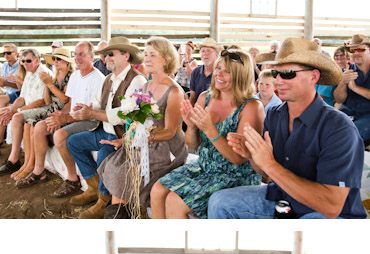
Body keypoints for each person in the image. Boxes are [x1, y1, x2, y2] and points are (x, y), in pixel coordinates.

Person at [209, 37, 365, 219]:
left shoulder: (339, 128)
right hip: (283, 198)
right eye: (276, 73)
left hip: (327, 214)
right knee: (220, 202)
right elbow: (267, 172)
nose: (279, 81)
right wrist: (253, 156)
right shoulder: (275, 115)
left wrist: (269, 164)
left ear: (313, 76)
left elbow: (331, 206)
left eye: (288, 73)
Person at [153, 48, 264, 219]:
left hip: (234, 175)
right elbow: (192, 145)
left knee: (175, 200)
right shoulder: (205, 97)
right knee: (157, 190)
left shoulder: (251, 107)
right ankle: (163, 244)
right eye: (218, 68)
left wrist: (209, 129)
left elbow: (237, 159)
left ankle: (189, 245)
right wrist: (190, 127)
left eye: (228, 72)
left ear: (241, 75)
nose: (219, 74)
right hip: (205, 166)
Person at [98, 37, 187, 219]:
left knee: (124, 173)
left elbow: (170, 131)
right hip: (144, 139)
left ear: (167, 59)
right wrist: (124, 139)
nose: (147, 59)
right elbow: (139, 121)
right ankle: (118, 216)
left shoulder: (175, 92)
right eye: (146, 54)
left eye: (153, 55)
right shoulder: (146, 85)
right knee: (115, 166)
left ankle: (120, 217)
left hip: (166, 149)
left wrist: (142, 138)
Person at [65, 37, 147, 218]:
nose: (106, 58)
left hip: (124, 136)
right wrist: (86, 109)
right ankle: (93, 188)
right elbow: (96, 103)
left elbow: (126, 115)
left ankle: (103, 201)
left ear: (126, 56)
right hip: (104, 130)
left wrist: (92, 114)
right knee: (73, 142)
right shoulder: (108, 78)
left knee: (104, 154)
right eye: (105, 55)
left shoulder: (137, 80)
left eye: (111, 54)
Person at [28, 42, 105, 198]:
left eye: (81, 54)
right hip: (73, 116)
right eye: (75, 54)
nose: (77, 58)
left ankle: (72, 178)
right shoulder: (76, 75)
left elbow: (90, 113)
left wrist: (64, 119)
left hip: (90, 120)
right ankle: (39, 170)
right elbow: (70, 102)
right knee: (41, 126)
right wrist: (58, 115)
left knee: (59, 135)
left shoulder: (98, 79)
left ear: (92, 56)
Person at [0, 49, 49, 177]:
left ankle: (15, 159)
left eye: (29, 61)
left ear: (37, 60)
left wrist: (17, 110)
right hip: (31, 107)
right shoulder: (29, 73)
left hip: (43, 108)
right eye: (23, 61)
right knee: (7, 112)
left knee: (17, 117)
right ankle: (21, 161)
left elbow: (42, 102)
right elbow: (22, 97)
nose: (25, 64)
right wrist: (11, 108)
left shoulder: (43, 73)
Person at [11, 47, 73, 187]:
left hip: (60, 110)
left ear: (67, 62)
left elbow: (65, 100)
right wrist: (47, 85)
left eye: (59, 59)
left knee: (29, 122)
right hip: (50, 106)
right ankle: (27, 164)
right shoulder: (56, 75)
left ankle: (34, 167)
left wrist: (49, 84)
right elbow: (47, 101)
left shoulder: (70, 76)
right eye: (54, 59)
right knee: (27, 123)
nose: (56, 62)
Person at [334, 36, 370, 142]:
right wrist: (343, 82)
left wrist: (354, 87)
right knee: (324, 129)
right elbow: (339, 99)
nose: (356, 53)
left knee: (349, 136)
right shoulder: (346, 71)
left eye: (361, 49)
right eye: (352, 50)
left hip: (368, 116)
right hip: (347, 113)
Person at [188, 37, 220, 105]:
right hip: (198, 110)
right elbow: (192, 97)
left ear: (216, 54)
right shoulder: (195, 72)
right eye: (203, 51)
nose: (205, 53)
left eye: (208, 51)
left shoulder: (220, 73)